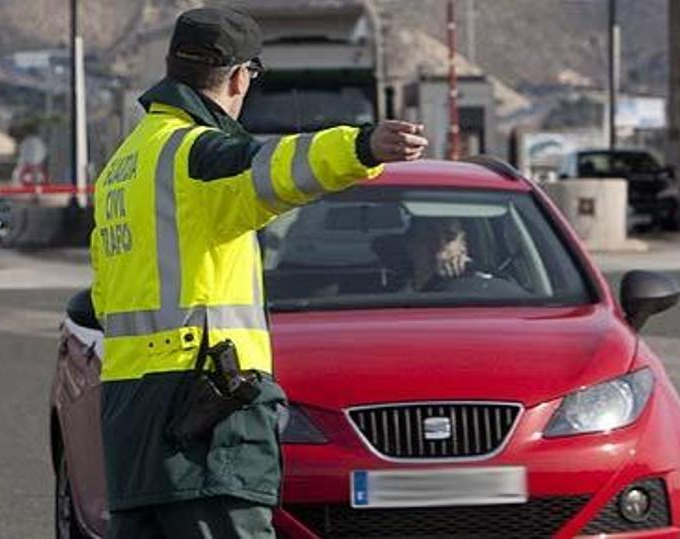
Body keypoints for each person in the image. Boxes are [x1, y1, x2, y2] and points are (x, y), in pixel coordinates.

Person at [90, 7, 427, 537]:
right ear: (240, 75)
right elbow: (274, 165)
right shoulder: (194, 156)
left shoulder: (123, 166)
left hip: (131, 419)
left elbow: (106, 293)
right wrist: (361, 146)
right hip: (202, 413)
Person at [407, 217, 474, 291]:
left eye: (449, 238)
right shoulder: (397, 299)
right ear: (411, 245)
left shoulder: (481, 292)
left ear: (463, 245)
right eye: (430, 237)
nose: (440, 245)